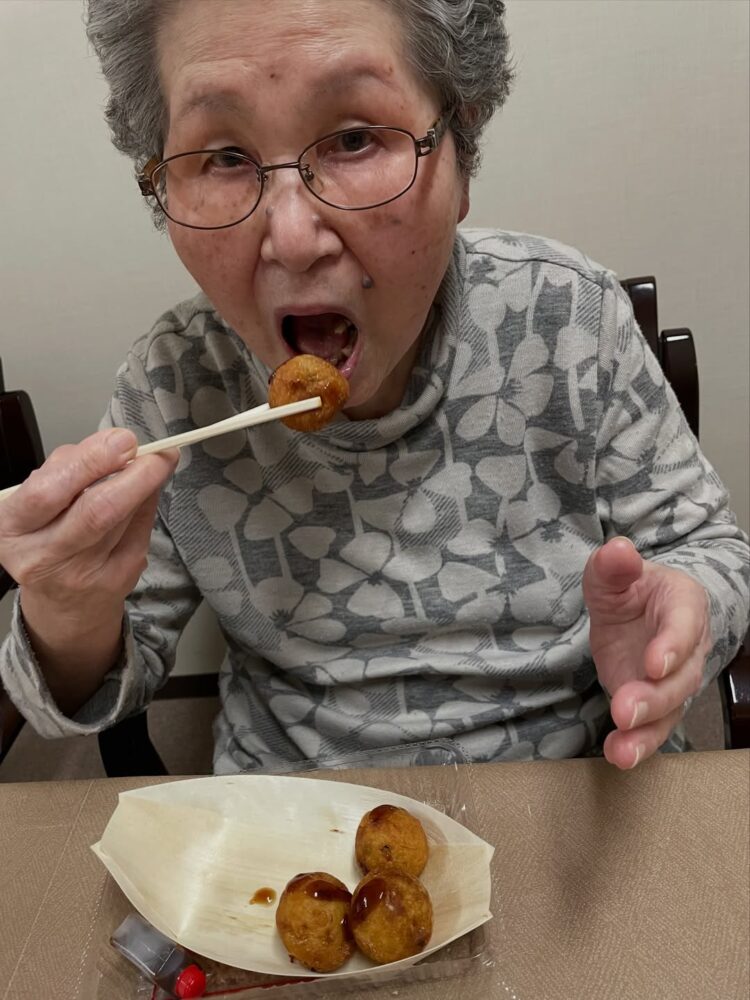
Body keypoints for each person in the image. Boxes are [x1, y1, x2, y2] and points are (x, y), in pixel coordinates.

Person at [0, 0, 747, 775]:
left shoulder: (569, 320)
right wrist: (67, 614)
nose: (293, 240)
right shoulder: (176, 386)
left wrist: (681, 619)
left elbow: (708, 549)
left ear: (460, 156)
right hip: (295, 810)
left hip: (574, 779)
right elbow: (82, 694)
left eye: (354, 139)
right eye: (223, 156)